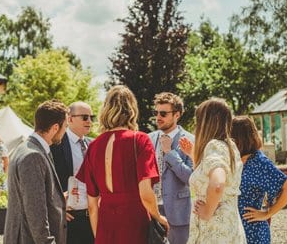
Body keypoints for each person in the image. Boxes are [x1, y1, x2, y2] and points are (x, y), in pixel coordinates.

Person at [76, 85, 169, 244]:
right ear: (132, 110)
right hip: (134, 223)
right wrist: (159, 217)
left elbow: (92, 205)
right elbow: (145, 193)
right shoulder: (140, 140)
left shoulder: (94, 146)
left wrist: (99, 238)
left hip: (105, 225)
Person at [4, 100, 68, 243]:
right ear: (55, 127)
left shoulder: (27, 148)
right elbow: (35, 211)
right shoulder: (33, 155)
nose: (66, 132)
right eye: (65, 127)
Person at [184, 98, 245, 243]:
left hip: (214, 228)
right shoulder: (230, 146)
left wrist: (207, 211)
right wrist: (193, 156)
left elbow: (218, 183)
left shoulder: (213, 146)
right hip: (229, 224)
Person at [233, 116, 287, 244]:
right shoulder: (235, 160)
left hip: (253, 232)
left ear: (239, 138)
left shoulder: (260, 162)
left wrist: (266, 214)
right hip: (234, 231)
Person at [148, 92, 195, 244]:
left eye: (163, 113)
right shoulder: (148, 139)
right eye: (156, 113)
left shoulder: (190, 140)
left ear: (177, 115)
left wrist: (170, 153)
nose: (158, 117)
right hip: (151, 211)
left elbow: (191, 178)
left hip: (178, 214)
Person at [50, 101, 96, 243]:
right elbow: (48, 180)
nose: (89, 121)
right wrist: (57, 209)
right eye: (84, 117)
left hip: (94, 216)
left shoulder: (94, 144)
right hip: (70, 218)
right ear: (69, 119)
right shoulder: (55, 144)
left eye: (91, 117)